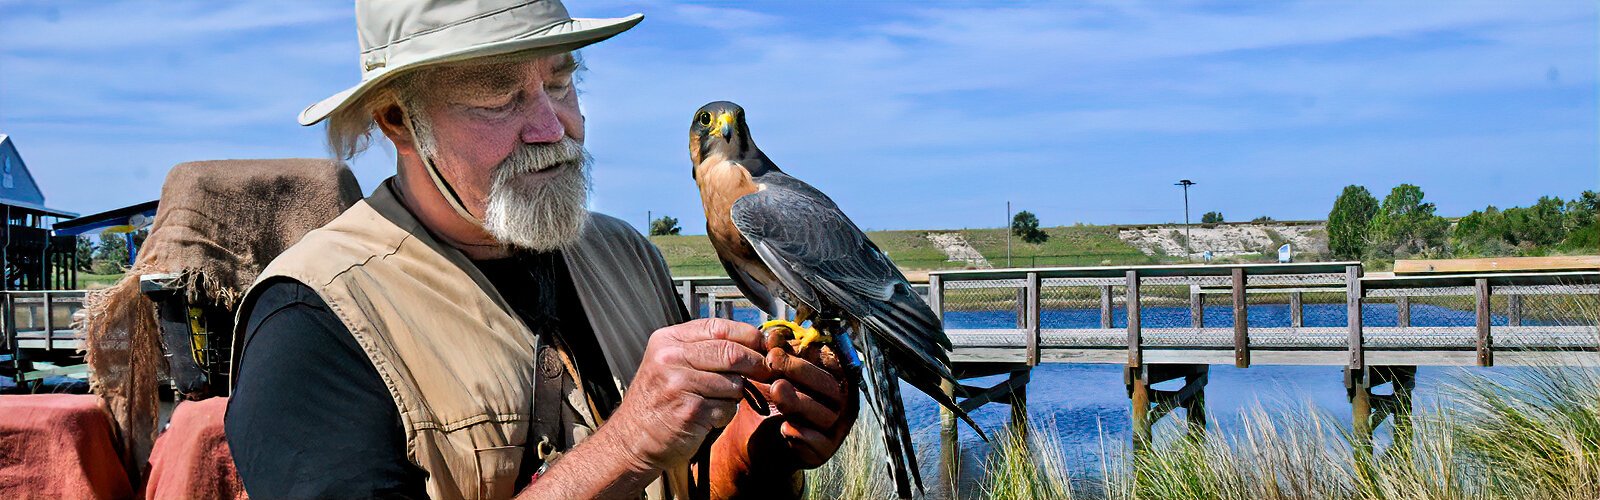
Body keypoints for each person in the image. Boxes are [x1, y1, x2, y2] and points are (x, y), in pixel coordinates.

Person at [222, 1, 857, 498]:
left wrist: (768, 443)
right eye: (498, 97)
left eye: (559, 83)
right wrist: (627, 446)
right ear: (395, 119)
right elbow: (639, 448)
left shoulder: (626, 256)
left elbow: (699, 478)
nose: (553, 130)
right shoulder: (311, 320)